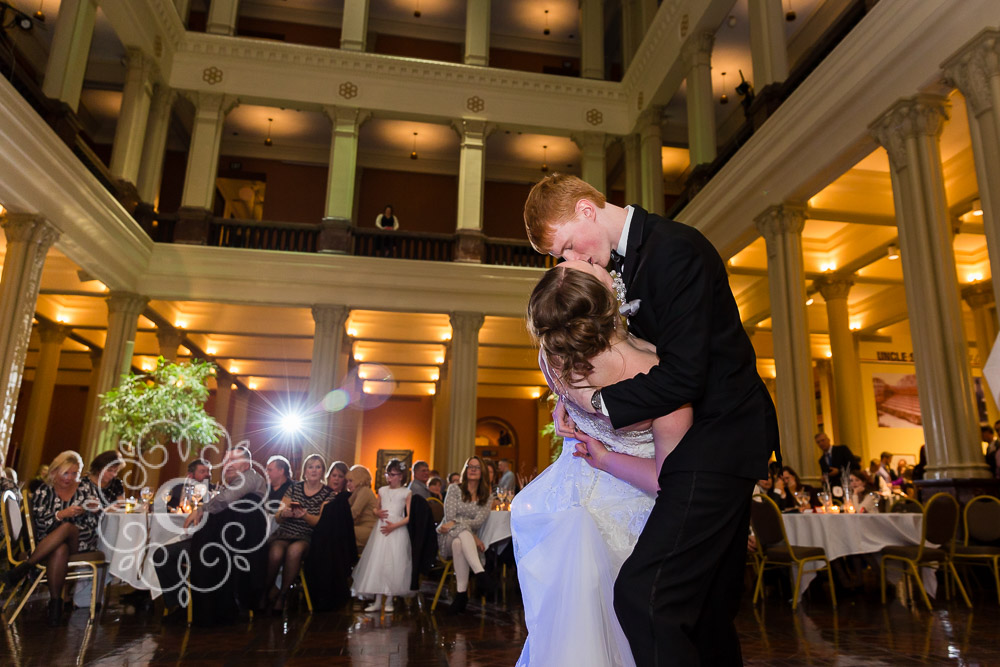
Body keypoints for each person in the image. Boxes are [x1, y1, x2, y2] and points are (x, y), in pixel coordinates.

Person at [524, 173, 777, 665]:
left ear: (586, 210)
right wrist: (570, 398)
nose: (573, 262)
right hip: (693, 438)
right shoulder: (618, 263)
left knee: (645, 597)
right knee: (705, 611)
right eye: (562, 259)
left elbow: (684, 376)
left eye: (570, 247)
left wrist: (594, 404)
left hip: (719, 438)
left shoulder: (675, 250)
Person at [515, 261, 692, 664]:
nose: (602, 262)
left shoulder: (552, 356)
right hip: (631, 515)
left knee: (572, 624)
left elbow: (572, 397)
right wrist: (607, 457)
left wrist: (565, 407)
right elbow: (668, 480)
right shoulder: (662, 374)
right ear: (610, 302)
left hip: (568, 496)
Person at [5, 451, 103, 626]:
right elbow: (40, 526)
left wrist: (95, 510)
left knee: (67, 528)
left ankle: (27, 566)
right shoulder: (44, 491)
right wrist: (60, 514)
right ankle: (56, 604)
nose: (69, 478)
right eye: (65, 473)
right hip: (49, 542)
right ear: (54, 472)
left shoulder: (86, 488)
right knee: (60, 549)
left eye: (74, 473)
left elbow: (95, 523)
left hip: (81, 539)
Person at [264, 454, 332, 613]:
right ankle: (265, 591)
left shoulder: (328, 493)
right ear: (305, 471)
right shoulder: (294, 487)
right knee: (275, 552)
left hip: (307, 535)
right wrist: (285, 513)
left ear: (323, 471)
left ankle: (283, 595)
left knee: (294, 551)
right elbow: (278, 516)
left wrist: (304, 515)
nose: (314, 470)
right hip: (286, 531)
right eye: (310, 466)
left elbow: (320, 523)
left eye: (318, 467)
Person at [352, 459, 413, 614]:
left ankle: (390, 599)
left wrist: (394, 526)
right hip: (381, 529)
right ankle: (378, 600)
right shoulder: (382, 490)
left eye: (393, 475)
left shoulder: (406, 493)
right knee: (378, 562)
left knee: (393, 563)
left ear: (401, 476)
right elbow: (375, 508)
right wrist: (377, 513)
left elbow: (408, 517)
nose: (389, 477)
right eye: (388, 474)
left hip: (396, 530)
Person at [438, 456, 496, 615]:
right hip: (447, 536)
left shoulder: (487, 497)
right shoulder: (454, 489)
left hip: (464, 540)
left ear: (482, 472)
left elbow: (477, 523)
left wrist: (461, 525)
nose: (473, 469)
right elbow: (449, 518)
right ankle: (480, 574)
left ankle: (461, 595)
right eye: (470, 466)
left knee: (459, 542)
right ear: (465, 469)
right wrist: (473, 536)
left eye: (477, 467)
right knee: (459, 536)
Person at [305, 460, 357, 611]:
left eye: (340, 476)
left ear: (345, 479)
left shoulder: (346, 498)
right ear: (328, 476)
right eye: (333, 475)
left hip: (338, 538)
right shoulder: (322, 493)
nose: (336, 479)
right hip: (317, 534)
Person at [346, 465, 378, 553]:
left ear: (359, 480)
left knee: (340, 532)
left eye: (351, 481)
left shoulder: (364, 491)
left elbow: (354, 513)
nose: (348, 484)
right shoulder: (358, 492)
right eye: (347, 481)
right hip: (363, 528)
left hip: (369, 530)